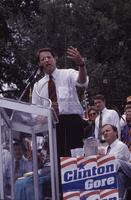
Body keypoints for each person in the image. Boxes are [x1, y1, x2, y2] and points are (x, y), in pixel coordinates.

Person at [32, 46, 89, 157]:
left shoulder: (67, 74)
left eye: (49, 57)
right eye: (43, 59)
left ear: (55, 59)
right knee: (57, 162)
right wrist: (40, 117)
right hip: (52, 127)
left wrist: (81, 64)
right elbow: (35, 111)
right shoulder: (37, 86)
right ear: (39, 63)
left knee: (75, 162)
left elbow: (83, 82)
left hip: (72, 123)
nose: (47, 60)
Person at [101, 124, 131, 199]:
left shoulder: (121, 145)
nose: (105, 133)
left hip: (126, 176)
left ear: (116, 132)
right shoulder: (106, 148)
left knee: (116, 166)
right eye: (103, 132)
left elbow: (113, 166)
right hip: (110, 176)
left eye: (107, 131)